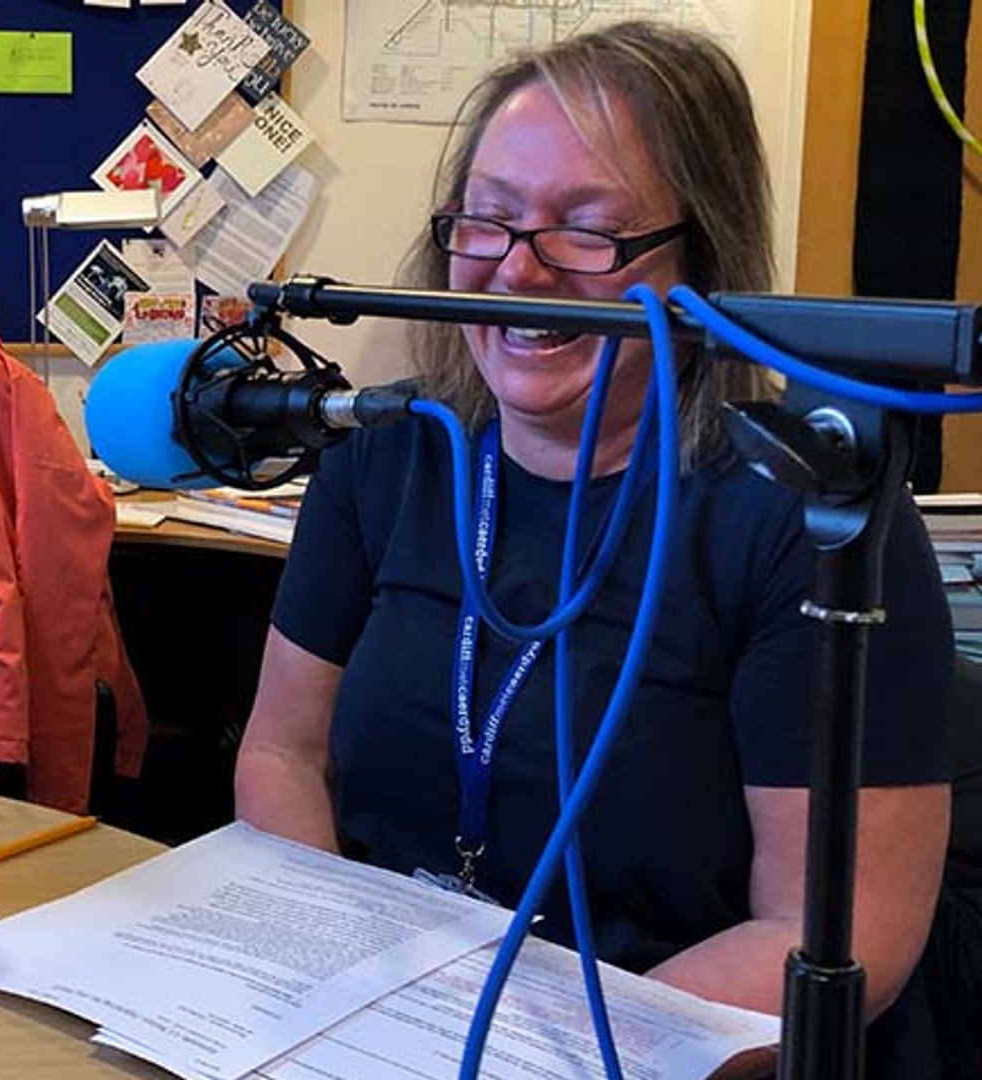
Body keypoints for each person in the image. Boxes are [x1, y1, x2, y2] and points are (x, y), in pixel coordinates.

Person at [231, 21, 953, 1076]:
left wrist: (535, 1053)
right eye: (488, 219)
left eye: (588, 232)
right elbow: (280, 755)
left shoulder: (807, 520)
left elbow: (837, 932)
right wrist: (342, 990)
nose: (518, 271)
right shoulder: (386, 455)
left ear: (700, 258)